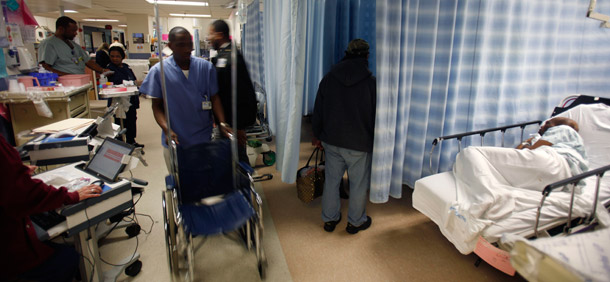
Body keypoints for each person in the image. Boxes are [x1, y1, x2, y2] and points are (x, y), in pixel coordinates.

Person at [448, 117, 588, 250]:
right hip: (555, 178)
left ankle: (490, 196)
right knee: (488, 167)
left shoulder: (566, 129)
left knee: (469, 152)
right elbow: (519, 152)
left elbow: (528, 151)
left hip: (552, 162)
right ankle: (495, 194)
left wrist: (531, 142)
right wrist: (530, 141)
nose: (543, 126)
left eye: (548, 124)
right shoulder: (557, 140)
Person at [0, 135, 103, 281]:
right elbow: (23, 193)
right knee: (68, 258)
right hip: (9, 260)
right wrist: (69, 196)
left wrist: (15, 171)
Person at [139, 26, 231, 170]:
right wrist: (166, 128)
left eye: (190, 44)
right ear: (170, 46)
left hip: (203, 138)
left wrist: (223, 123)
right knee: (181, 184)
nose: (187, 49)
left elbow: (215, 98)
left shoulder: (205, 68)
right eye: (181, 45)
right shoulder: (159, 71)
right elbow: (156, 106)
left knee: (204, 181)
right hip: (176, 139)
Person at [312, 39, 376, 234]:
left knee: (332, 181)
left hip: (332, 140)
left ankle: (330, 220)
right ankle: (355, 222)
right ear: (367, 56)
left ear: (346, 53)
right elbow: (375, 116)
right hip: (358, 143)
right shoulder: (371, 83)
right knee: (358, 184)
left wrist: (317, 135)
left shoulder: (329, 77)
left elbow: (319, 109)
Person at [208, 20, 258, 163]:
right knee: (230, 158)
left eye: (210, 34)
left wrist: (239, 126)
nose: (208, 38)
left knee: (238, 159)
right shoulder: (224, 56)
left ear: (219, 35)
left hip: (233, 123)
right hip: (226, 121)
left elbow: (242, 94)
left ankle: (246, 184)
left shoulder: (231, 58)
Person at [38, 16, 110, 75]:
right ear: (61, 29)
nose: (75, 33)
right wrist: (68, 76)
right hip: (64, 82)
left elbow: (87, 61)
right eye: (73, 31)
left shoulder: (73, 44)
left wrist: (102, 70)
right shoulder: (49, 44)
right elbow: (45, 68)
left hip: (79, 80)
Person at [107, 46, 143, 147]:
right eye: (112, 56)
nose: (115, 58)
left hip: (130, 98)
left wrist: (137, 84)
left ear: (122, 57)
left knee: (132, 120)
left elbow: (132, 80)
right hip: (118, 100)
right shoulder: (109, 69)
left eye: (117, 56)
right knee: (120, 121)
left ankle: (131, 141)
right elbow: (115, 82)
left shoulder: (126, 67)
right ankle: (120, 143)